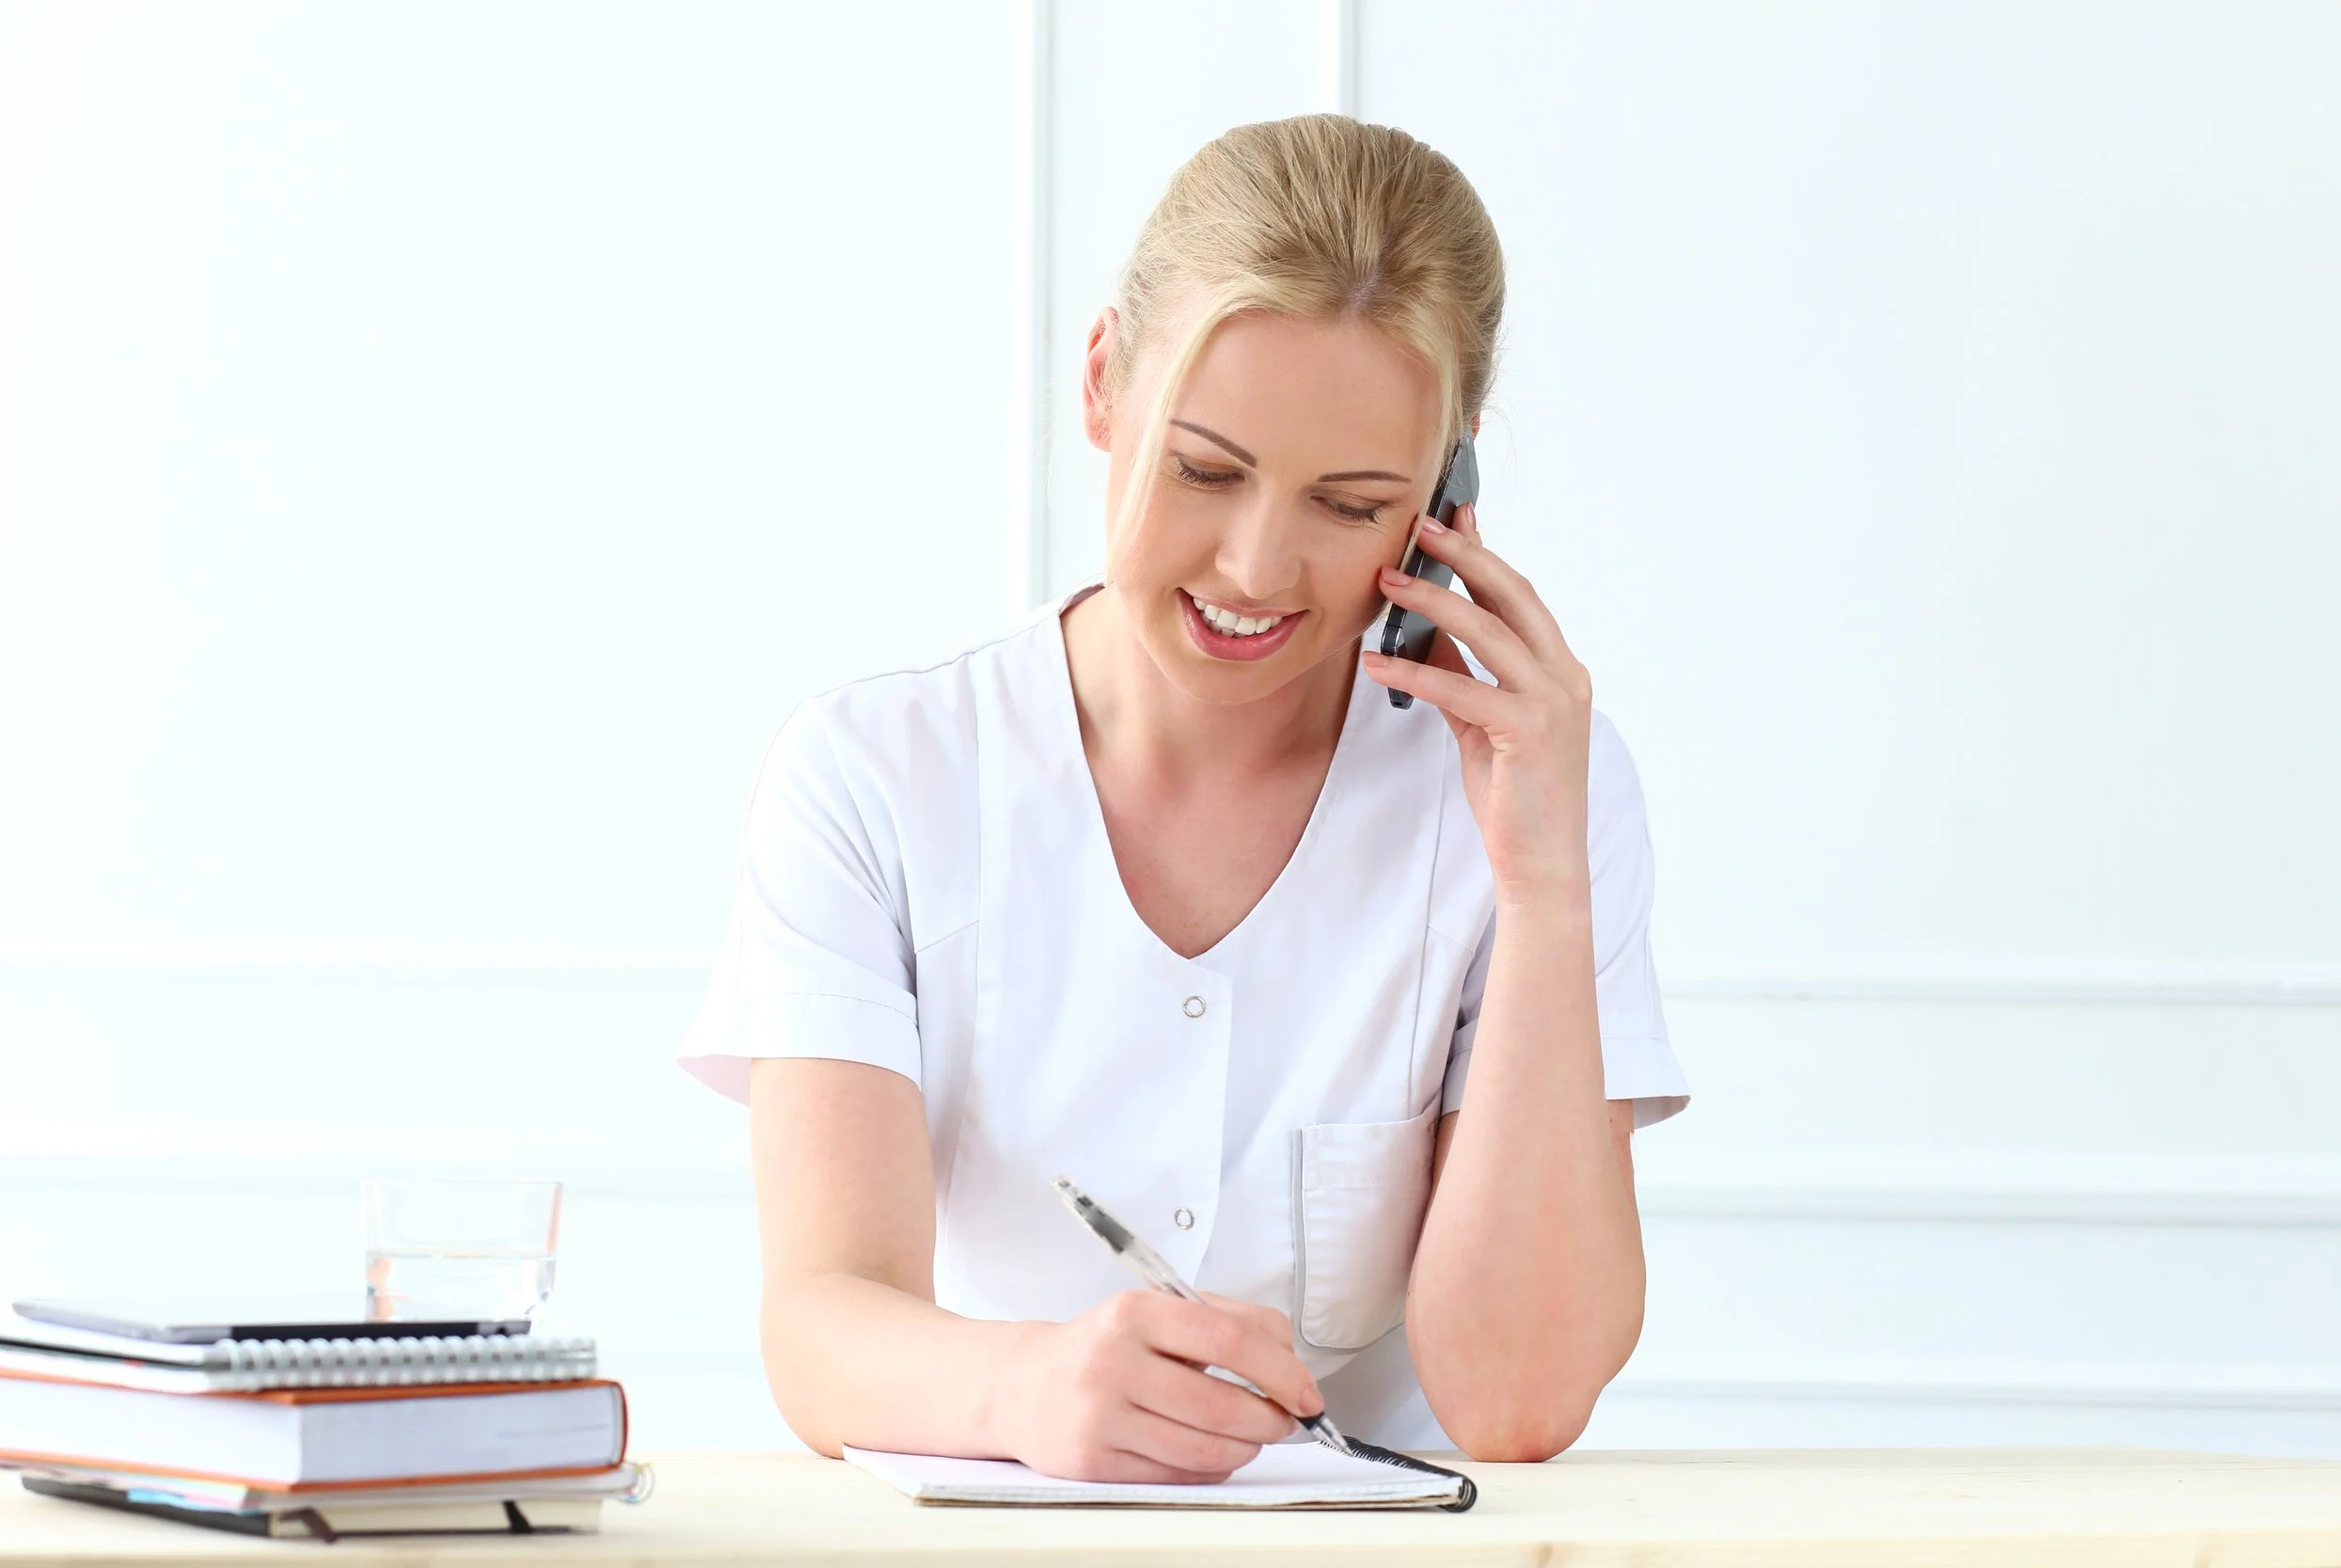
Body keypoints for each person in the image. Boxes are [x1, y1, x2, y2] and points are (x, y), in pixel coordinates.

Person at [677, 114, 1688, 1480]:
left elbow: (1518, 1399)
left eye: (1351, 502)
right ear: (1103, 383)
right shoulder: (875, 778)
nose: (1259, 566)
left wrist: (1544, 888)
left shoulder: (1535, 786)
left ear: (1444, 499)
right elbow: (820, 1322)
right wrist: (1030, 1387)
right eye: (1207, 471)